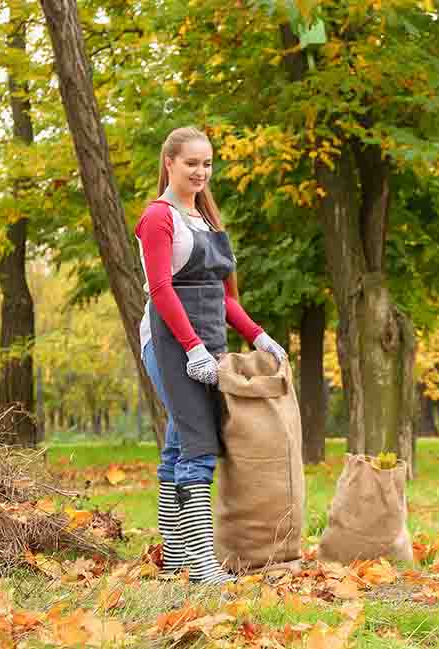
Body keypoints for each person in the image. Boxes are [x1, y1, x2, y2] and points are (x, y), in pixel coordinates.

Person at [137, 126, 287, 584]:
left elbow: (222, 298)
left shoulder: (205, 220)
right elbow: (162, 289)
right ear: (170, 163)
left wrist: (259, 337)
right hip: (169, 344)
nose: (201, 171)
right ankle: (203, 566)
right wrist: (192, 349)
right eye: (191, 163)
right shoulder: (158, 218)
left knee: (179, 444)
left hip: (208, 345)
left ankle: (178, 557)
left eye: (207, 163)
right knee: (199, 444)